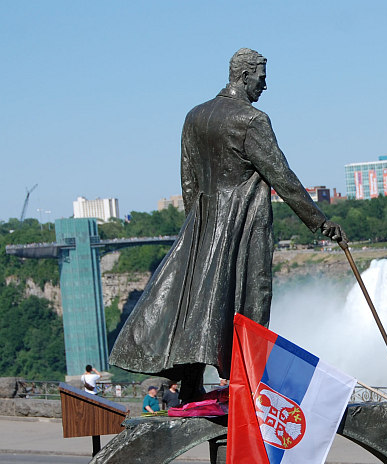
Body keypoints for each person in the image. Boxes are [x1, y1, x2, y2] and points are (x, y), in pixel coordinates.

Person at [109, 48, 346, 402]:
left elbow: (188, 180)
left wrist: (199, 227)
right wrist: (320, 221)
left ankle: (191, 383)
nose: (265, 85)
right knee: (246, 301)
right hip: (241, 223)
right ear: (245, 75)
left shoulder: (195, 116)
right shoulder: (252, 120)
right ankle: (245, 383)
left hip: (202, 222)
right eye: (262, 78)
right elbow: (282, 176)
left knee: (201, 304)